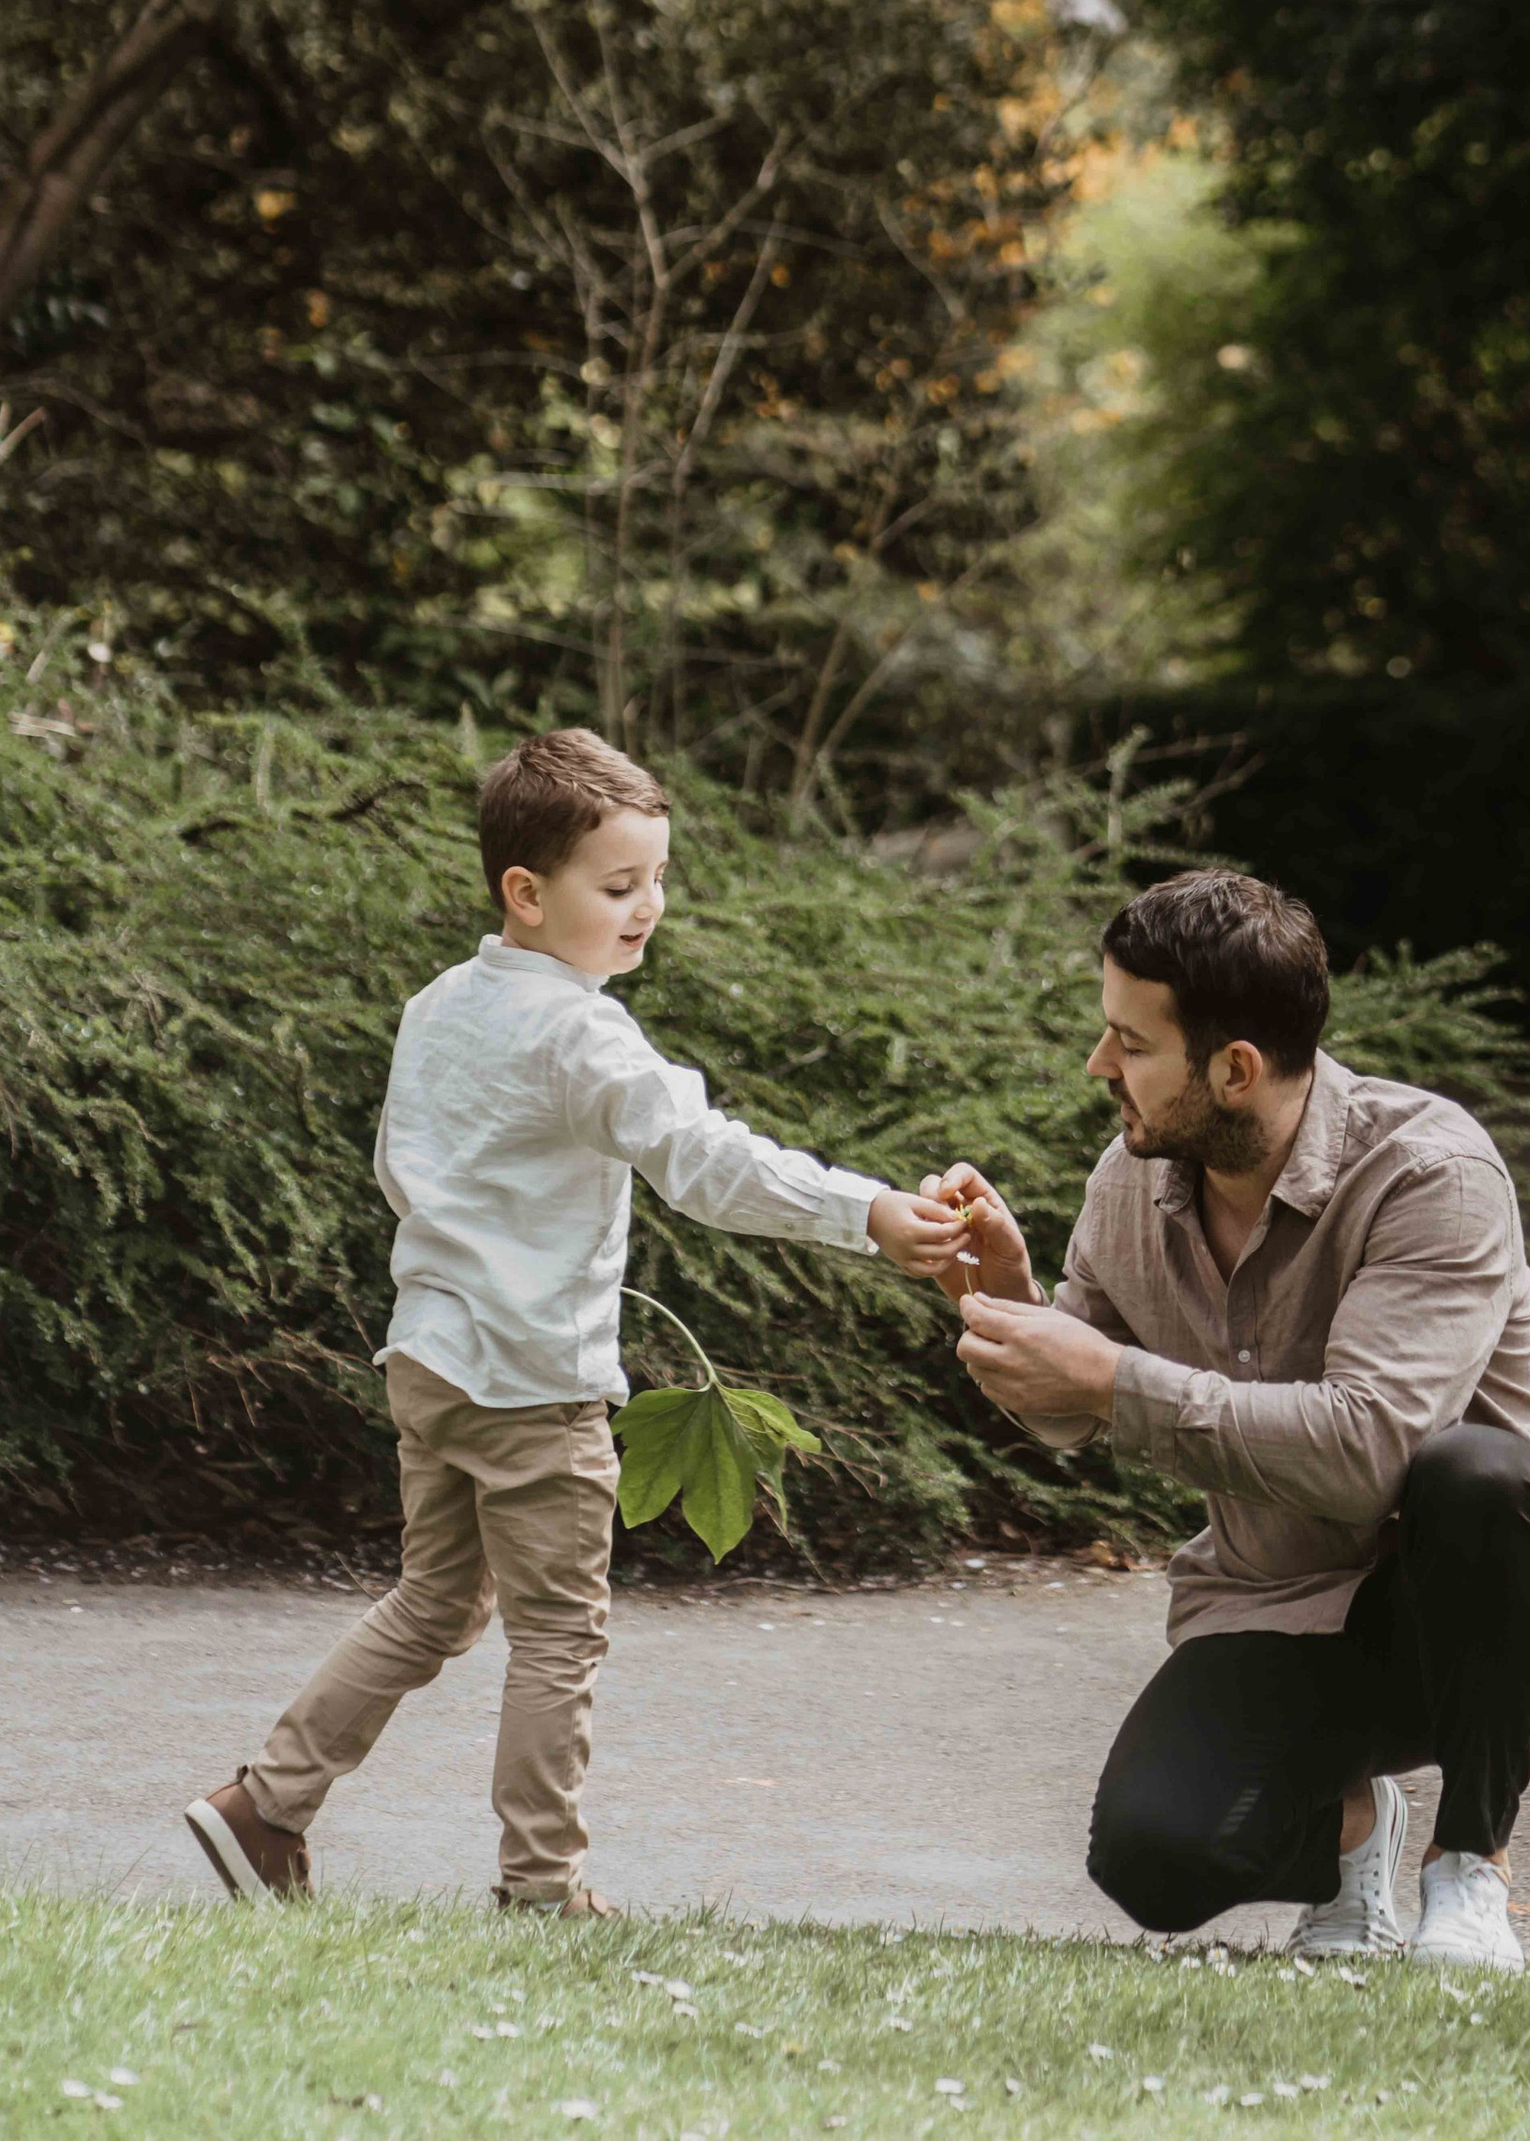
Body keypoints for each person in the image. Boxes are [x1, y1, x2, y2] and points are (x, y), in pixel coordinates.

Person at [182, 726, 964, 1913]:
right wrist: (867, 1213)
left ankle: (263, 1807)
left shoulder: (439, 1005)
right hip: (531, 1385)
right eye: (619, 886)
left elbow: (407, 1172)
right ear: (527, 892)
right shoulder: (583, 1033)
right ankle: (542, 1890)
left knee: (433, 1602)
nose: (648, 906)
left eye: (658, 879)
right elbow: (703, 1163)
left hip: (430, 1362)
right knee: (559, 1638)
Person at [937, 868, 1530, 1968]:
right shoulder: (1132, 1179)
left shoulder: (1426, 1174)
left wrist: (1114, 1379)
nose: (1098, 1065)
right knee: (1153, 1861)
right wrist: (1014, 1313)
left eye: (1129, 1041)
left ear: (1234, 1068)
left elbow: (1372, 1455)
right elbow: (1067, 1416)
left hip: (1487, 1605)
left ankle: (1469, 1869)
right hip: (1273, 1600)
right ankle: (1354, 1828)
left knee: (1479, 1476)